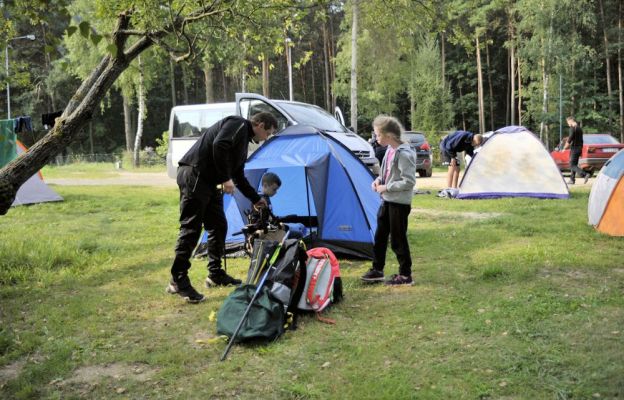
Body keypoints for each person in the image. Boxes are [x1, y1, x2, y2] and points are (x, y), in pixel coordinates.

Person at [167, 112, 278, 303]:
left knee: (218, 226)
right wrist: (226, 179)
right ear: (259, 124)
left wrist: (255, 199)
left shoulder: (243, 142)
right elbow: (219, 145)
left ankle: (215, 274)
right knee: (191, 228)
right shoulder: (238, 124)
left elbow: (239, 176)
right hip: (194, 174)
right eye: (267, 132)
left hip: (209, 182)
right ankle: (178, 280)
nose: (266, 138)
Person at [361, 115, 417, 286]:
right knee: (380, 237)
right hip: (387, 200)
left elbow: (409, 182)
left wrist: (387, 187)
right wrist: (379, 180)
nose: (376, 138)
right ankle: (377, 270)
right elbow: (386, 174)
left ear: (389, 135)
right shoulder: (389, 151)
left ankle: (405, 275)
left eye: (378, 135)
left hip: (398, 203)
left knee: (398, 239)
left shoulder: (404, 154)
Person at [564, 116, 591, 184]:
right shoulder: (579, 128)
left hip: (575, 149)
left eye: (568, 122)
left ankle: (585, 174)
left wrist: (565, 147)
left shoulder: (572, 128)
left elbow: (570, 138)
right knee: (574, 164)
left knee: (571, 165)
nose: (568, 124)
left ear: (571, 121)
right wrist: (567, 138)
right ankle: (572, 180)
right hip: (579, 148)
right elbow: (575, 137)